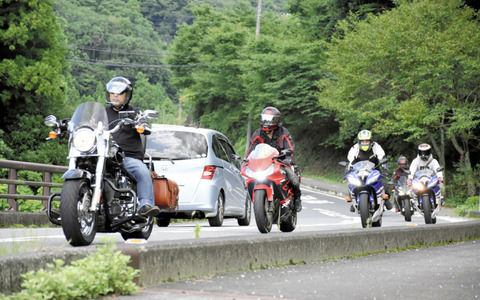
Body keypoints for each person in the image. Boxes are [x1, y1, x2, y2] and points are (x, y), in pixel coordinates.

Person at [105, 76, 160, 220]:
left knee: (142, 172)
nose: (115, 95)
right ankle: (70, 207)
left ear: (127, 95)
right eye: (112, 92)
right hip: (104, 155)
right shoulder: (102, 114)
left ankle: (145, 205)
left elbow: (145, 125)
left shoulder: (135, 113)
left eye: (119, 93)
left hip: (127, 156)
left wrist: (142, 123)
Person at [245, 106, 302, 212]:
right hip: (263, 164)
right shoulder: (258, 133)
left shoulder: (283, 132)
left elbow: (290, 146)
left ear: (276, 120)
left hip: (281, 162)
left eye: (269, 119)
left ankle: (297, 199)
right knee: (247, 178)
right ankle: (257, 203)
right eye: (264, 118)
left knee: (293, 179)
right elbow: (251, 149)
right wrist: (247, 159)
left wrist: (287, 156)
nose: (266, 122)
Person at [346, 129, 392, 210]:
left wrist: (384, 170)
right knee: (351, 183)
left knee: (383, 181)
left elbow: (383, 158)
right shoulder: (354, 148)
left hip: (374, 169)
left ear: (370, 141)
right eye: (362, 141)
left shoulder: (376, 147)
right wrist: (348, 170)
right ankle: (353, 200)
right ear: (359, 142)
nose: (364, 143)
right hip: (358, 171)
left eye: (366, 141)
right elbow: (349, 162)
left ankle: (386, 199)